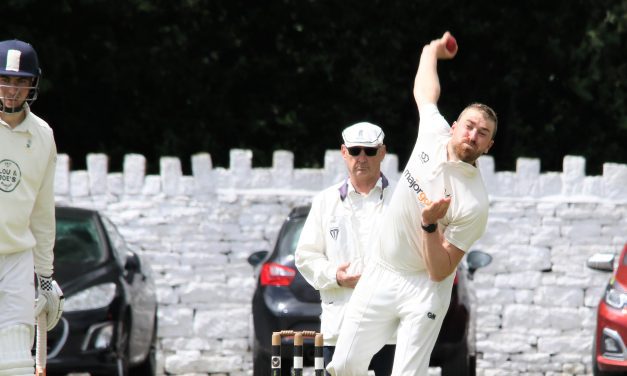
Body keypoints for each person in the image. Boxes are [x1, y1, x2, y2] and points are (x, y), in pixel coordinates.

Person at [327, 32, 497, 376]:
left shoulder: (475, 202)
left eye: (482, 133)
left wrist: (430, 225)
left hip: (425, 290)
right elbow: (425, 91)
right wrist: (430, 51)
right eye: (469, 126)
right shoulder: (433, 132)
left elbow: (439, 270)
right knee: (344, 366)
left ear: (488, 146)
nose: (473, 135)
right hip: (383, 270)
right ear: (453, 128)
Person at [295, 121, 396, 376]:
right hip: (340, 324)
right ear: (343, 152)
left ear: (382, 153)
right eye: (355, 151)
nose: (362, 158)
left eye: (370, 151)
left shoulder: (402, 199)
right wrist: (336, 276)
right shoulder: (325, 202)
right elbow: (306, 256)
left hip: (391, 326)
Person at [0, 39, 64, 375]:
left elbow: (42, 212)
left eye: (21, 82)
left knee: (15, 365)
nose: (12, 90)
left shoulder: (41, 135)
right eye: (5, 80)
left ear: (32, 85)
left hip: (16, 261)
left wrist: (45, 276)